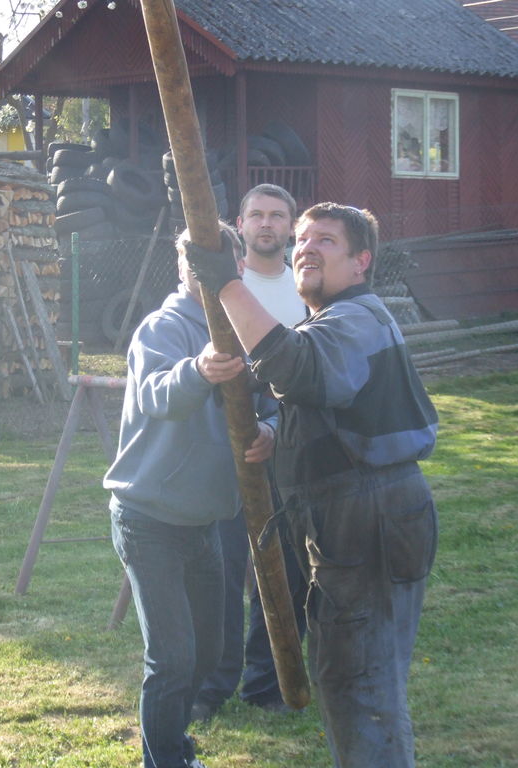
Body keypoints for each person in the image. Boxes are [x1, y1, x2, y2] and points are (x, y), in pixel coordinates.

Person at [183, 203, 438, 768]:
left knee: (360, 683)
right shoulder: (337, 322)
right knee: (357, 675)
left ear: (361, 262)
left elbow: (294, 366)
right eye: (302, 239)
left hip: (366, 514)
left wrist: (226, 283)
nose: (306, 249)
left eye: (326, 240)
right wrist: (280, 435)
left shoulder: (355, 319)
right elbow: (325, 398)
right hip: (365, 512)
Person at [104, 223, 278, 768]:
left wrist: (270, 430)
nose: (201, 274)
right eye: (193, 263)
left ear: (239, 268)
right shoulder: (162, 328)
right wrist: (199, 370)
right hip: (147, 518)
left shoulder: (248, 331)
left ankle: (173, 748)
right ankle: (163, 761)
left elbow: (271, 402)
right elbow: (158, 397)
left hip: (206, 521)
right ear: (181, 269)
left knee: (207, 654)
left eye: (216, 263)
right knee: (172, 659)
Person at [192, 184, 308, 721]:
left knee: (285, 570)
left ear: (290, 226)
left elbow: (305, 381)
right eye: (256, 214)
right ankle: (211, 685)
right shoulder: (218, 287)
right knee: (220, 571)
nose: (266, 223)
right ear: (240, 225)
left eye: (277, 215)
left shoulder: (306, 289)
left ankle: (268, 682)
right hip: (224, 454)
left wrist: (275, 428)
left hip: (288, 450)